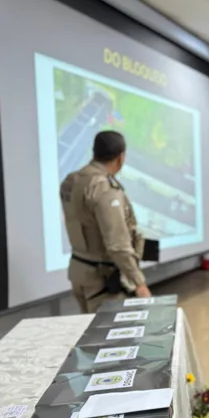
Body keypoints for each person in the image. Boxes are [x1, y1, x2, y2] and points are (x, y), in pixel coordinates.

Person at [59, 131, 151, 313]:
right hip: (103, 281)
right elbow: (117, 245)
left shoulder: (71, 180)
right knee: (109, 338)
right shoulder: (105, 189)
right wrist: (139, 283)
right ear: (120, 157)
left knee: (89, 333)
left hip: (79, 272)